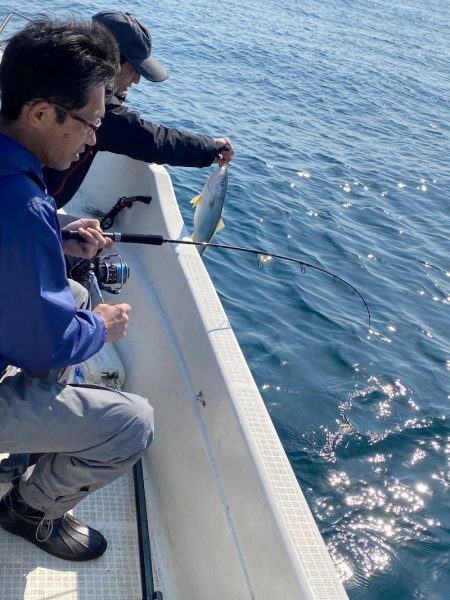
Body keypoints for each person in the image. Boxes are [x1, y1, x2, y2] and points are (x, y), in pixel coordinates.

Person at [0, 18, 154, 561]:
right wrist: (103, 328)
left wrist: (54, 237)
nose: (94, 137)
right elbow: (42, 345)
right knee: (133, 423)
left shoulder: (15, 184)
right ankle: (28, 508)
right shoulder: (19, 203)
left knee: (75, 295)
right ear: (41, 113)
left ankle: (24, 445)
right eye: (90, 123)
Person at [43, 10, 235, 209]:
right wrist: (211, 147)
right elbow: (148, 139)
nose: (137, 80)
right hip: (30, 209)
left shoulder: (54, 70)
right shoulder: (87, 106)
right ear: (111, 60)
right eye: (134, 69)